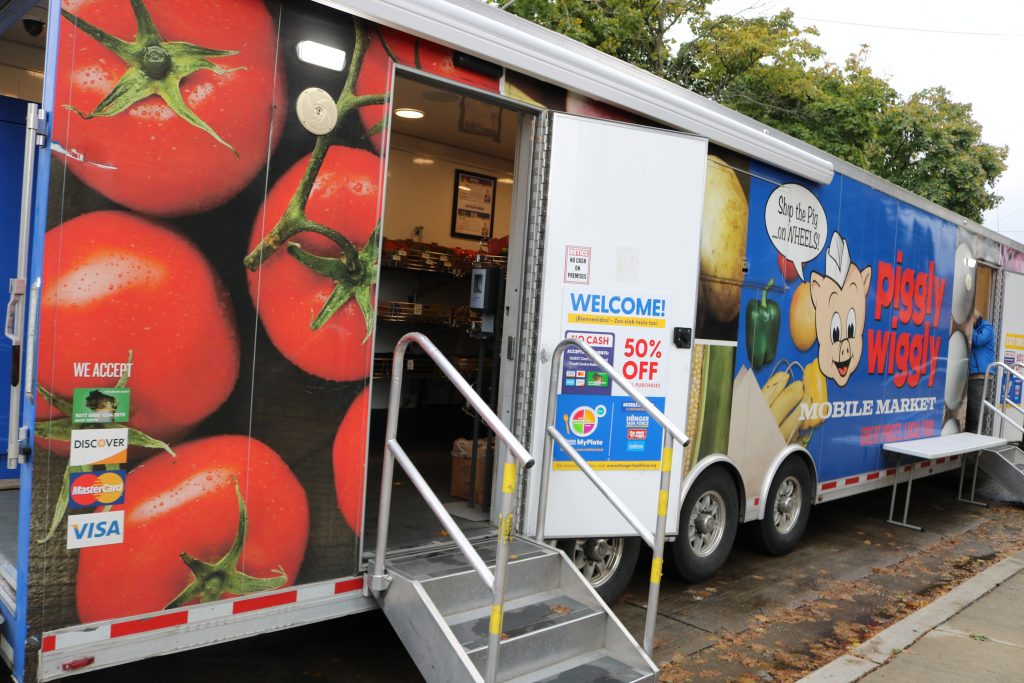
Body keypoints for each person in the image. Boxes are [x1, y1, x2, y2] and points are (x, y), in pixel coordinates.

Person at [967, 310, 995, 433]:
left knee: (977, 413)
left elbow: (978, 340)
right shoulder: (973, 330)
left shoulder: (987, 328)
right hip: (972, 376)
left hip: (981, 377)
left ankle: (977, 448)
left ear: (974, 317)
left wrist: (968, 325)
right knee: (971, 413)